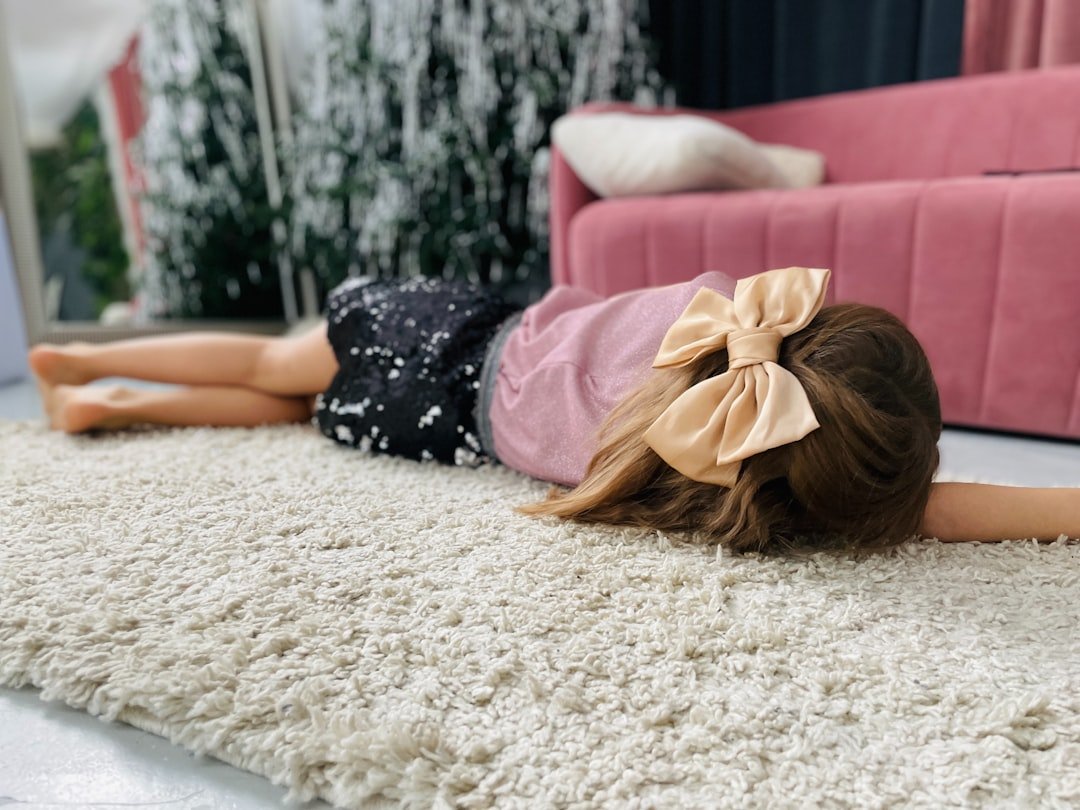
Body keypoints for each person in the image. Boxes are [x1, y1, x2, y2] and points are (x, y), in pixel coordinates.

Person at [28, 267, 1080, 555]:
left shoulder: (717, 314)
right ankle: (122, 405)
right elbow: (945, 511)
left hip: (450, 327)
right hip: (436, 425)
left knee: (274, 357)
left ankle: (92, 361)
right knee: (289, 410)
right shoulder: (715, 476)